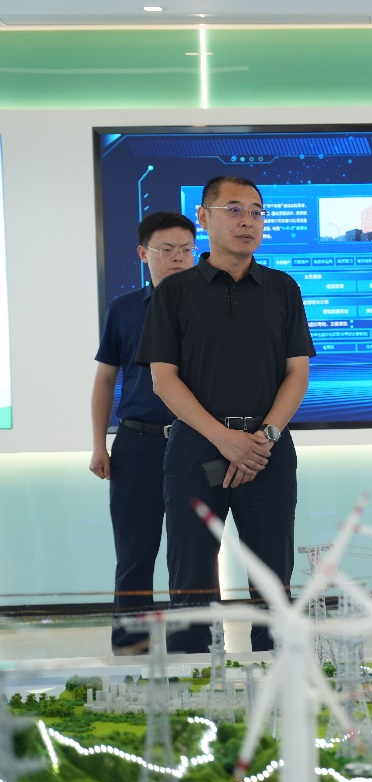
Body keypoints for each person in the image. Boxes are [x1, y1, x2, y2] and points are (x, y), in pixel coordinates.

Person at [137, 176, 315, 654]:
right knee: (191, 579)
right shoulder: (175, 292)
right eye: (234, 210)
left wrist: (265, 436)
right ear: (204, 217)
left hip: (267, 451)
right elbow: (164, 380)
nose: (248, 221)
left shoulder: (282, 287)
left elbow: (297, 374)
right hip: (196, 450)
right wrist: (224, 439)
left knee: (273, 579)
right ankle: (193, 682)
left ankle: (277, 681)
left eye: (256, 212)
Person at [90, 211, 196, 655]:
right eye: (166, 250)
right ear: (143, 253)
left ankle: (190, 649)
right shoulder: (124, 309)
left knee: (191, 555)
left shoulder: (210, 307)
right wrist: (98, 444)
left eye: (186, 250)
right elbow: (105, 380)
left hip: (194, 442)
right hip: (137, 442)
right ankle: (130, 648)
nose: (178, 258)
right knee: (135, 552)